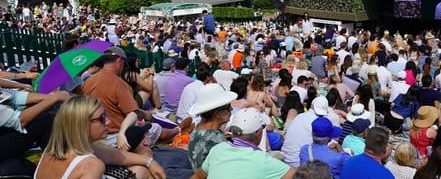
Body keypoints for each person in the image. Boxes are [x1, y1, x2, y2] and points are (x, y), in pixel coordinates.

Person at [34, 95, 165, 179]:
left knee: (142, 167)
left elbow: (112, 155)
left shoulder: (53, 149)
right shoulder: (92, 165)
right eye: (101, 118)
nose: (108, 121)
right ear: (82, 125)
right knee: (144, 172)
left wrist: (149, 161)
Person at [193, 107, 295, 179]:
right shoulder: (263, 161)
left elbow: (198, 176)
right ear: (258, 133)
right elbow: (298, 175)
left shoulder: (217, 149)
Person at [187, 83, 237, 171]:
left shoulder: (198, 129)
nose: (231, 110)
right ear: (218, 113)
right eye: (229, 107)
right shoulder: (217, 141)